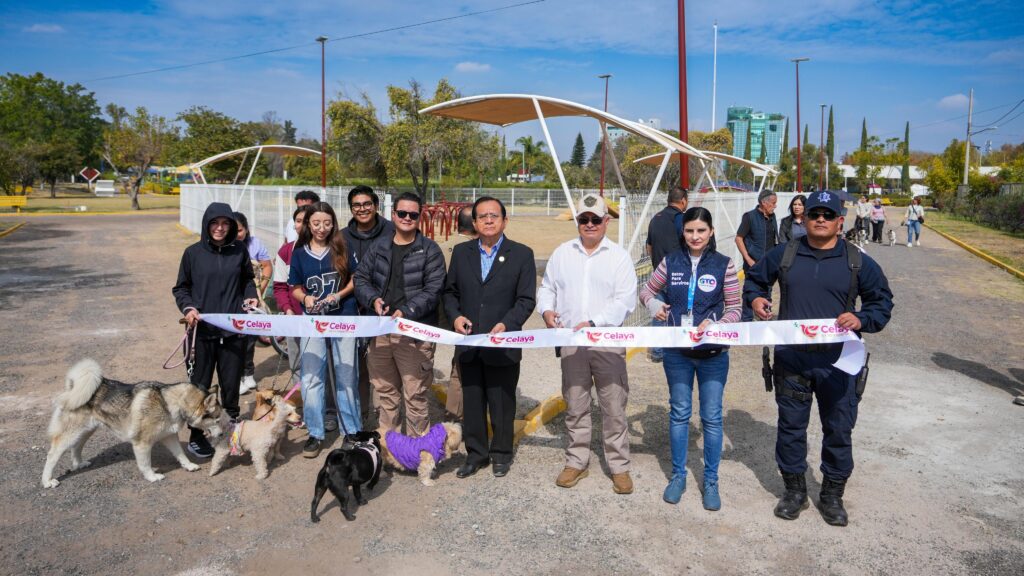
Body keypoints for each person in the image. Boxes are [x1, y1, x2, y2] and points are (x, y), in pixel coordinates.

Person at [745, 190, 893, 527]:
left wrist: (861, 319)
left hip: (839, 363)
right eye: (814, 214)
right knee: (791, 427)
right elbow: (755, 281)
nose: (821, 219)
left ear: (840, 221)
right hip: (792, 360)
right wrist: (756, 300)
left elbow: (881, 303)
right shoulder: (786, 253)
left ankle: (832, 495)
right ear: (805, 218)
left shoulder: (857, 260)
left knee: (839, 429)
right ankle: (794, 491)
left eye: (828, 214)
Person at [639, 207, 741, 510]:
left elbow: (736, 308)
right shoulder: (671, 262)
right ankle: (678, 476)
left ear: (710, 232)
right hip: (677, 354)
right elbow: (646, 291)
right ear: (682, 232)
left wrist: (717, 324)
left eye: (701, 230)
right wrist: (654, 305)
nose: (695, 236)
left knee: (711, 417)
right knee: (680, 413)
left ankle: (711, 480)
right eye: (689, 231)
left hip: (713, 354)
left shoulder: (724, 264)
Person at [539, 193, 637, 494]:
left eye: (596, 219)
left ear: (606, 221)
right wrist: (547, 311)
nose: (590, 224)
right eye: (584, 219)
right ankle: (577, 461)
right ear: (577, 221)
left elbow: (625, 301)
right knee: (576, 404)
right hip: (572, 342)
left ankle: (619, 466)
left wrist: (594, 323)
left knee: (614, 406)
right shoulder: (562, 253)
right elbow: (547, 288)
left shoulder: (619, 257)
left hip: (606, 342)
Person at [444, 197, 536, 478]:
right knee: (472, 404)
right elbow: (450, 292)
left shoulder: (522, 254)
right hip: (469, 343)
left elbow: (525, 299)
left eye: (493, 215)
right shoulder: (461, 253)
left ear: (504, 221)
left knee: (502, 404)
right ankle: (476, 454)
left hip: (503, 344)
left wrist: (507, 324)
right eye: (482, 216)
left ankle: (501, 454)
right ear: (474, 222)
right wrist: (455, 317)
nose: (488, 220)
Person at [354, 192, 445, 438]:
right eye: (402, 213)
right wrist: (373, 300)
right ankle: (389, 448)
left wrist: (407, 310)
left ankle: (418, 451)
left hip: (413, 335)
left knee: (415, 395)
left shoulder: (430, 250)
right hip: (381, 332)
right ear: (393, 215)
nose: (407, 218)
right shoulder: (379, 246)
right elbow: (360, 278)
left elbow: (434, 289)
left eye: (413, 214)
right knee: (385, 394)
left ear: (419, 217)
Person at [172, 202, 258, 458]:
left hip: (233, 332)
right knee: (199, 387)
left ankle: (230, 433)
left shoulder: (239, 251)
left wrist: (251, 295)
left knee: (231, 386)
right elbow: (181, 288)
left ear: (231, 226)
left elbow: (247, 280)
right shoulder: (192, 253)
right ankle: (197, 436)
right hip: (202, 332)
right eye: (215, 223)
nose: (220, 228)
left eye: (225, 224)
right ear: (206, 225)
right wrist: (188, 308)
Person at [288, 202, 361, 457]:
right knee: (310, 378)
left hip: (343, 318)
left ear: (333, 223)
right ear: (308, 224)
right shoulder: (299, 253)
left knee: (346, 376)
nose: (322, 228)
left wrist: (338, 295)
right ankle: (315, 432)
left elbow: (355, 279)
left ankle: (351, 430)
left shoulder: (342, 247)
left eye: (327, 223)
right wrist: (305, 298)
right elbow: (294, 286)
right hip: (313, 322)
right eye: (316, 223)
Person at [343, 185, 396, 424]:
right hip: (353, 310)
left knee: (386, 371)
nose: (362, 209)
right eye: (356, 205)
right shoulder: (342, 237)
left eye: (367, 204)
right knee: (357, 368)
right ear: (351, 208)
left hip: (386, 310)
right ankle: (361, 417)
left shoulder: (393, 231)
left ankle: (387, 421)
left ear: (375, 206)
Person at [436, 205, 477, 422]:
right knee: (461, 370)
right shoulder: (475, 250)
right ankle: (456, 416)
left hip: (441, 316)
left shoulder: (440, 248)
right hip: (466, 318)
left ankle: (454, 415)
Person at [644, 186, 689, 363]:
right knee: (681, 310)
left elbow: (649, 246)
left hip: (659, 273)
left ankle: (657, 351)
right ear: (683, 200)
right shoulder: (681, 219)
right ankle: (681, 345)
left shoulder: (655, 218)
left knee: (659, 311)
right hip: (679, 273)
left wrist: (657, 264)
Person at [233, 211, 273, 395]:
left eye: (240, 230)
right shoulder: (225, 246)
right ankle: (237, 376)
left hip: (252, 298)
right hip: (233, 298)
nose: (236, 234)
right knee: (235, 338)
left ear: (246, 229)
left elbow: (267, 266)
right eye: (233, 230)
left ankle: (248, 374)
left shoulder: (255, 244)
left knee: (249, 338)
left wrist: (259, 290)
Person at [272, 206, 308, 392]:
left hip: (321, 321)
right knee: (297, 365)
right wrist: (287, 309)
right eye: (299, 221)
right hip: (294, 320)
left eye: (307, 220)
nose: (303, 225)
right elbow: (279, 287)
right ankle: (301, 400)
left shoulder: (330, 250)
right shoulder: (285, 251)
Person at [735, 190, 779, 321]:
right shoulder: (749, 217)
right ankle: (747, 321)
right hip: (753, 264)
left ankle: (765, 319)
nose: (775, 206)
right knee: (750, 292)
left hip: (768, 264)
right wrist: (748, 259)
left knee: (767, 292)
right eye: (773, 203)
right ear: (764, 203)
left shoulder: (772, 217)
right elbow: (738, 238)